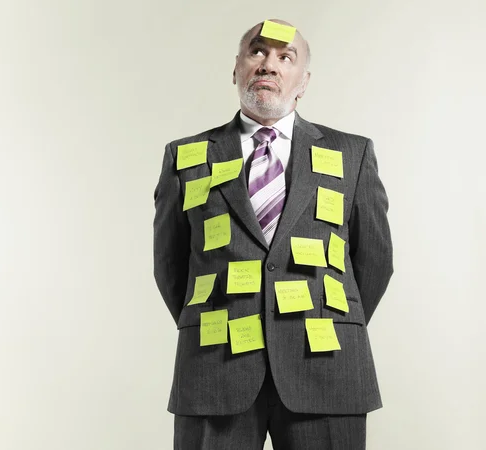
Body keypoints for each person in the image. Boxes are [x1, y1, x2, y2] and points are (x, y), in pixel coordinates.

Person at [153, 18, 393, 450]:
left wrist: (327, 320)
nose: (269, 64)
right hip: (214, 368)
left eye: (286, 57)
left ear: (303, 81)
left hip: (326, 368)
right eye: (257, 52)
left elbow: (374, 262)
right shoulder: (186, 156)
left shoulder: (351, 154)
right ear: (237, 69)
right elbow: (170, 265)